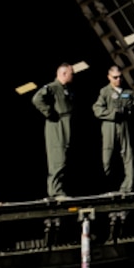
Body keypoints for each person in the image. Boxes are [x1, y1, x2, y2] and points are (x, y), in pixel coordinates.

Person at [31, 63, 76, 199]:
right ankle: (55, 192)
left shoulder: (65, 89)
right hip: (57, 126)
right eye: (71, 73)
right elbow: (36, 98)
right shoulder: (53, 87)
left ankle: (60, 190)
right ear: (63, 74)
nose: (73, 75)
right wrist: (49, 113)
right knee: (58, 158)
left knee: (64, 158)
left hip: (66, 124)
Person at [93, 65, 134, 193]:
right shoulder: (105, 92)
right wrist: (113, 113)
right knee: (107, 155)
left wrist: (127, 112)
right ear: (109, 77)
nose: (118, 79)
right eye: (115, 77)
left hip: (124, 124)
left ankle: (127, 186)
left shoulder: (128, 93)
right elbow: (97, 110)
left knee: (127, 154)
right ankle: (106, 184)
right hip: (109, 125)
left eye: (120, 77)